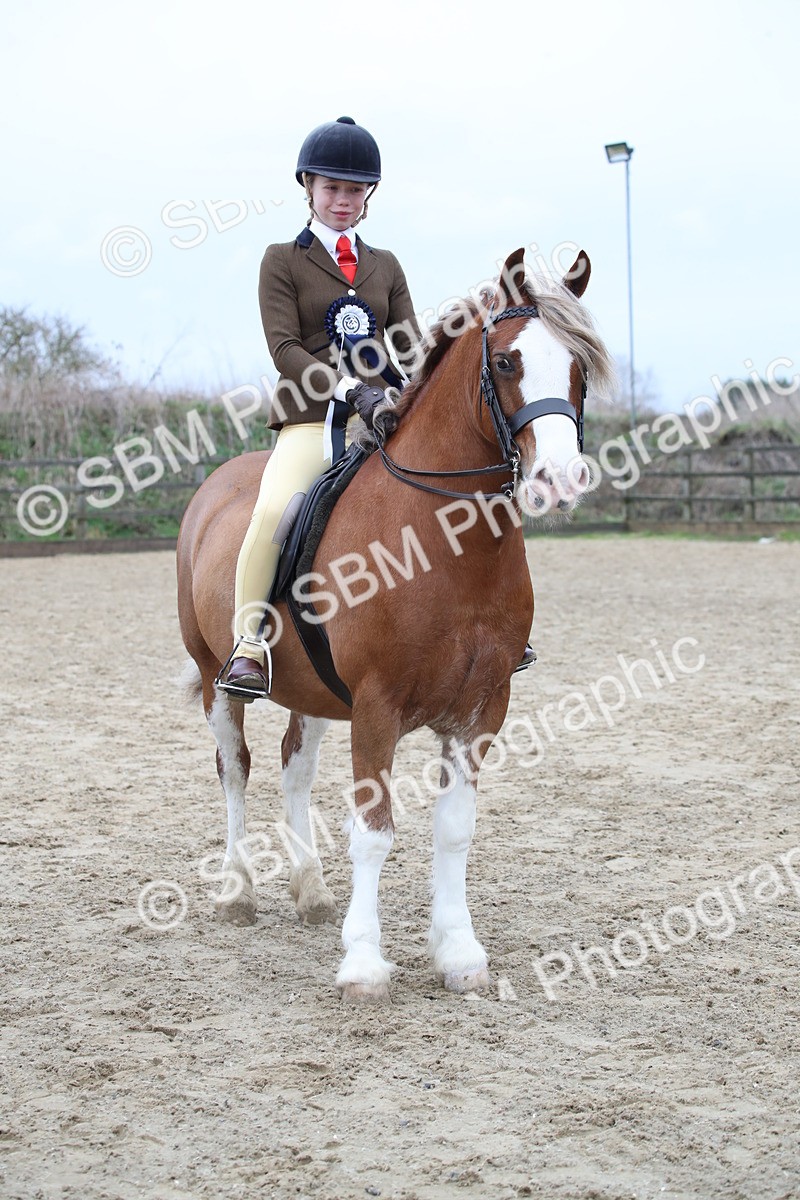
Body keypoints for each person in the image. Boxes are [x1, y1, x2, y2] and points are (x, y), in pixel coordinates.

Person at [219, 116, 420, 701]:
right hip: (312, 419)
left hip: (382, 419)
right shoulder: (281, 259)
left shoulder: (386, 265)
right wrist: (348, 389)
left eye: (355, 190)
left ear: (368, 195)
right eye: (332, 187)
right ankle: (249, 645)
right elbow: (284, 348)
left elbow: (409, 346)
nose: (343, 200)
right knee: (274, 512)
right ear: (308, 186)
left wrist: (417, 388)